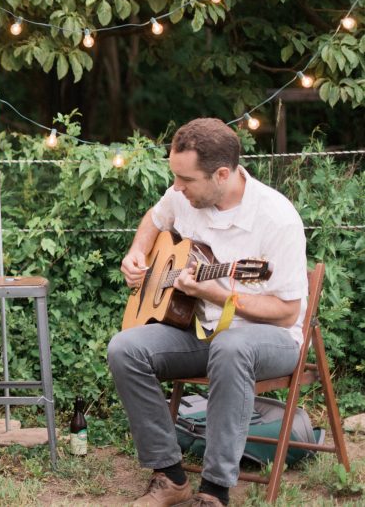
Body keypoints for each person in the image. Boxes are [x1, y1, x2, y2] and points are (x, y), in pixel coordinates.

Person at [107, 118, 308, 507]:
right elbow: (154, 217)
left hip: (270, 338)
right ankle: (170, 476)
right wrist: (136, 253)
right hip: (201, 330)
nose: (177, 188)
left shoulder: (276, 219)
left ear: (221, 174)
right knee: (125, 349)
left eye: (186, 180)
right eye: (174, 177)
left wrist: (217, 295)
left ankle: (214, 491)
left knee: (231, 347)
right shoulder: (183, 196)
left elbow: (286, 312)